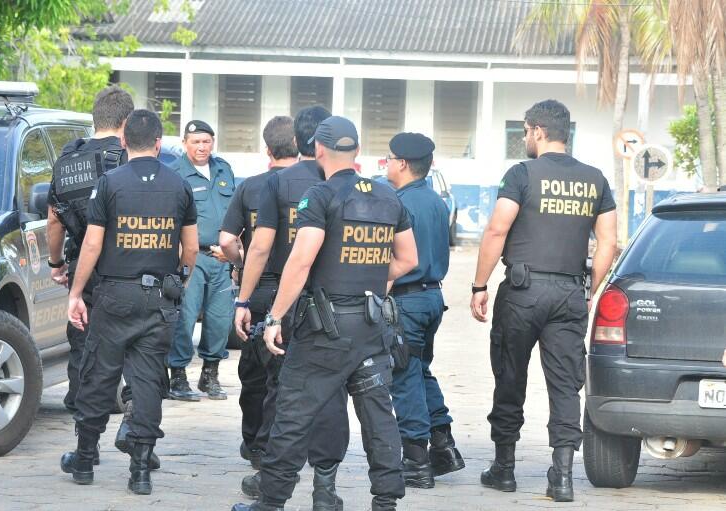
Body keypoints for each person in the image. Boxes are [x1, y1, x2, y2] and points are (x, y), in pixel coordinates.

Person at [232, 116, 419, 511]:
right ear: (356, 151)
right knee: (378, 416)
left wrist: (276, 318)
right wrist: (368, 279)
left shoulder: (320, 196)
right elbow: (408, 259)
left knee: (293, 414)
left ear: (318, 149)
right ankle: (386, 501)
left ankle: (271, 502)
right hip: (371, 325)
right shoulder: (387, 197)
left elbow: (300, 262)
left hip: (324, 329)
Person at [471, 100, 617, 502]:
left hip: (522, 291)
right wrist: (589, 288)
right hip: (570, 293)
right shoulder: (596, 179)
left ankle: (504, 469)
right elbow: (608, 242)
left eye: (525, 132)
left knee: (510, 376)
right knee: (566, 385)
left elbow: (497, 230)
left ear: (536, 130)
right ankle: (563, 477)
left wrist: (478, 286)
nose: (525, 139)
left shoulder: (521, 174)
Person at [60, 109, 199, 495]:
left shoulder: (109, 183)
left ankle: (85, 460)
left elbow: (92, 243)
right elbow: (190, 248)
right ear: (158, 143)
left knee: (98, 375)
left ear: (123, 142)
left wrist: (76, 292)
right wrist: (180, 282)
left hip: (114, 295)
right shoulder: (179, 185)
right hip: (158, 299)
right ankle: (140, 471)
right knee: (148, 381)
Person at [232, 106, 351, 508]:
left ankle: (269, 475)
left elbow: (261, 247)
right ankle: (325, 485)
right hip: (332, 305)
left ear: (302, 142)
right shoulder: (346, 184)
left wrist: (244, 300)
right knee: (331, 395)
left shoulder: (278, 183)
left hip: (282, 297)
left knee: (280, 390)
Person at [47, 85, 133, 414]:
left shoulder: (68, 160)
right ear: (127, 122)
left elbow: (54, 220)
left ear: (94, 120)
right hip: (124, 265)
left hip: (80, 262)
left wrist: (56, 263)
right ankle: (133, 408)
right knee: (130, 341)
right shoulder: (129, 159)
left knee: (83, 339)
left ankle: (82, 409)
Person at [385, 132, 464, 489]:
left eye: (388, 158)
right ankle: (443, 445)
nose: (385, 164)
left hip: (407, 298)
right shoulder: (436, 201)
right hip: (432, 297)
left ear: (402, 163)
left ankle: (415, 460)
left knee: (404, 376)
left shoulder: (398, 203)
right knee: (419, 370)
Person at [219, 115, 298, 469]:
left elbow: (226, 241)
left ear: (267, 149)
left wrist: (240, 264)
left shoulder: (250, 187)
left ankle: (254, 442)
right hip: (301, 293)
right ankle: (286, 443)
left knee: (254, 374)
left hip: (261, 288)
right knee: (291, 374)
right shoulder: (315, 184)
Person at [167, 120, 236, 401]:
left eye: (206, 141)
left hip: (222, 258)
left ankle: (210, 375)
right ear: (185, 143)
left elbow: (236, 213)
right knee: (184, 316)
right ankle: (178, 376)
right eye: (195, 142)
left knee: (221, 319)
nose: (201, 147)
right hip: (191, 257)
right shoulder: (175, 174)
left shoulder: (224, 169)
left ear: (213, 142)